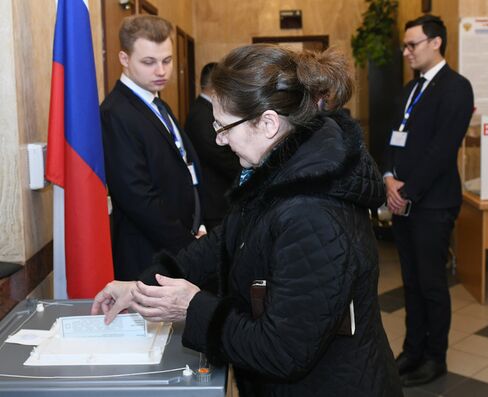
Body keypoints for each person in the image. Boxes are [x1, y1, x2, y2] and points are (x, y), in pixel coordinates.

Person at [92, 44, 403, 397]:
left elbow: (283, 350)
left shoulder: (313, 211)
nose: (220, 140)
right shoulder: (278, 170)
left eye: (226, 127)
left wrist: (193, 308)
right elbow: (221, 243)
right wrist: (141, 289)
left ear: (268, 124)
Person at [383, 15, 474, 386]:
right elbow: (392, 138)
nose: (406, 52)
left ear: (436, 43)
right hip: (404, 200)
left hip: (433, 204)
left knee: (432, 285)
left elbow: (441, 151)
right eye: (404, 46)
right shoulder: (410, 90)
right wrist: (388, 177)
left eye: (412, 44)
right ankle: (412, 350)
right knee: (411, 281)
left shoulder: (456, 88)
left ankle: (435, 358)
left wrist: (405, 192)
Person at [101, 15, 202, 281]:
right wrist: (188, 245)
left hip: (176, 244)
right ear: (124, 59)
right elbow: (136, 196)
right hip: (147, 253)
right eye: (149, 62)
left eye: (167, 61)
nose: (161, 71)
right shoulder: (115, 113)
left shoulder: (158, 103)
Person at [184, 62, 241, 230]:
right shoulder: (202, 115)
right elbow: (220, 156)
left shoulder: (204, 108)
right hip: (214, 196)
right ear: (214, 85)